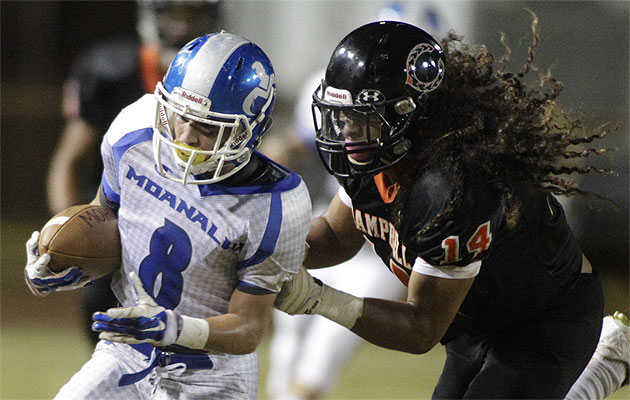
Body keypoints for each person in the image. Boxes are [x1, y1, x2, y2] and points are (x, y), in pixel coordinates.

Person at [274, 20, 621, 398]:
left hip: (544, 320)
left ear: (413, 113)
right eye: (343, 115)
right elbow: (336, 237)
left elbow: (421, 328)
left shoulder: (453, 188)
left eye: (365, 116)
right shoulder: (377, 157)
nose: (346, 131)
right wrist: (267, 248)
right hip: (473, 318)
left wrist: (319, 299)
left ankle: (604, 367)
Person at [26, 32, 311, 398]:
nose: (186, 136)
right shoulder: (134, 129)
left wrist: (174, 327)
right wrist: (63, 262)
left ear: (248, 132)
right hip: (127, 349)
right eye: (180, 116)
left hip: (214, 373)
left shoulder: (276, 203)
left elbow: (249, 326)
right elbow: (104, 218)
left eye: (207, 127)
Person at [47, 0, 223, 346]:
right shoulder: (112, 70)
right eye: (173, 15)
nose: (183, 27)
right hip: (117, 230)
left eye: (194, 15)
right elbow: (68, 163)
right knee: (112, 355)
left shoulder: (225, 78)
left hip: (194, 234)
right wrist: (68, 230)